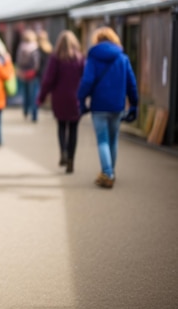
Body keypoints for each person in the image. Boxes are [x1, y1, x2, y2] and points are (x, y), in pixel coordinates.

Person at [77, 26, 138, 189]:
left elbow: (87, 81)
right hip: (118, 105)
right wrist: (134, 104)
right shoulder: (123, 58)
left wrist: (81, 99)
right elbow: (131, 84)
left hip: (99, 106)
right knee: (113, 140)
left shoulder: (93, 57)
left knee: (102, 140)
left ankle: (107, 172)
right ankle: (111, 172)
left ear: (97, 40)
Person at [37, 30, 84, 173]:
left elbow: (48, 80)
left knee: (62, 126)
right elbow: (86, 78)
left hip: (59, 98)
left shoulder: (55, 58)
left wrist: (42, 96)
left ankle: (63, 151)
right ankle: (71, 160)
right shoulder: (80, 59)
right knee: (74, 129)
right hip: (76, 98)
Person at [15, 29, 41, 122]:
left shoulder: (21, 47)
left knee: (25, 94)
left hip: (23, 73)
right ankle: (34, 115)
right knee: (34, 95)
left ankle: (26, 110)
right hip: (32, 74)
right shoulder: (34, 48)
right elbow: (36, 63)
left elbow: (18, 61)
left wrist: (20, 71)